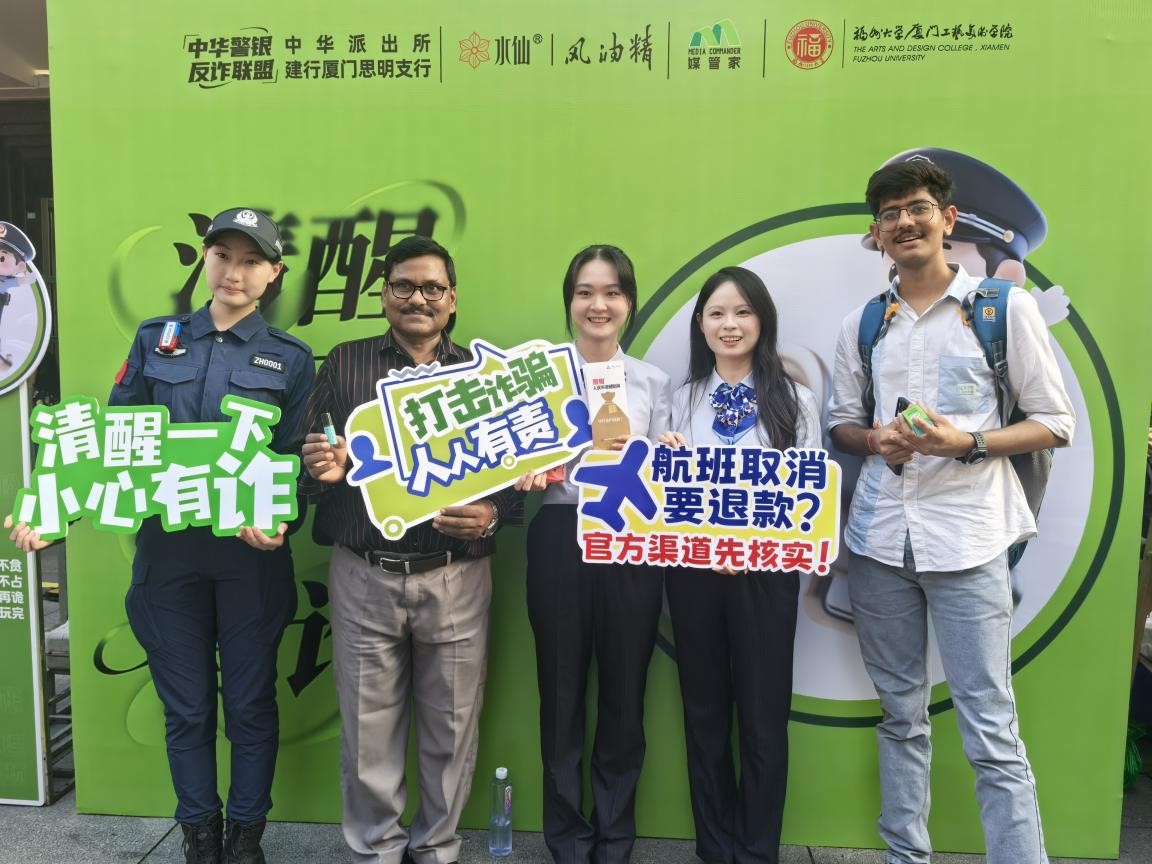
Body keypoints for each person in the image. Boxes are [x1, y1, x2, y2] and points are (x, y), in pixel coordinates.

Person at [8, 207, 315, 864]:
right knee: (188, 707)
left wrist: (283, 517)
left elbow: (297, 463)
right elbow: (113, 446)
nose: (234, 272)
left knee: (251, 704)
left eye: (251, 261)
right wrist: (55, 509)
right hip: (169, 557)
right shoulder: (157, 339)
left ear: (274, 273)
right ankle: (199, 834)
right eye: (223, 255)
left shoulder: (290, 359)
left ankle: (246, 838)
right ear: (205, 259)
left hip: (251, 561)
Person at [827, 158, 1075, 864]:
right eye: (890, 214)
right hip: (879, 543)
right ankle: (906, 856)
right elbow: (841, 423)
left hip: (969, 542)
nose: (904, 222)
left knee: (990, 727)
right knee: (900, 718)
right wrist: (873, 439)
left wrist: (966, 442)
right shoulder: (863, 323)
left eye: (917, 208)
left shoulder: (1002, 310)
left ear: (947, 218)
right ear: (877, 233)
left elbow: (1056, 422)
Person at [298, 235, 521, 864]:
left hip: (456, 576)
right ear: (384, 295)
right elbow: (308, 464)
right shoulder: (344, 364)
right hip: (363, 572)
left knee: (451, 726)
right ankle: (376, 851)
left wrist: (490, 516)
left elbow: (514, 486)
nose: (417, 298)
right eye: (403, 286)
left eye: (432, 288)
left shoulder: (483, 376)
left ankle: (437, 849)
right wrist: (320, 468)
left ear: (452, 299)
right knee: (367, 730)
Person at [514, 244, 671, 864]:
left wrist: (669, 455)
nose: (598, 305)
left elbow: (669, 482)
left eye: (611, 292)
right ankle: (567, 838)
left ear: (629, 303)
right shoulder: (538, 377)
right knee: (560, 690)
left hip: (632, 539)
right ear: (570, 302)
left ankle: (614, 836)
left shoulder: (654, 382)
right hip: (559, 534)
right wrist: (524, 473)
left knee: (625, 693)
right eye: (585, 292)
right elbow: (503, 459)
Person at [660, 266, 821, 864]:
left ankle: (757, 850)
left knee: (762, 717)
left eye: (743, 312)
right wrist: (665, 459)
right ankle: (714, 846)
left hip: (766, 576)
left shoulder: (794, 400)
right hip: (693, 575)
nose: (730, 324)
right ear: (701, 325)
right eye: (717, 313)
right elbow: (659, 501)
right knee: (703, 712)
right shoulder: (680, 400)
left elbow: (807, 498)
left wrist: (749, 548)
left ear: (762, 321)